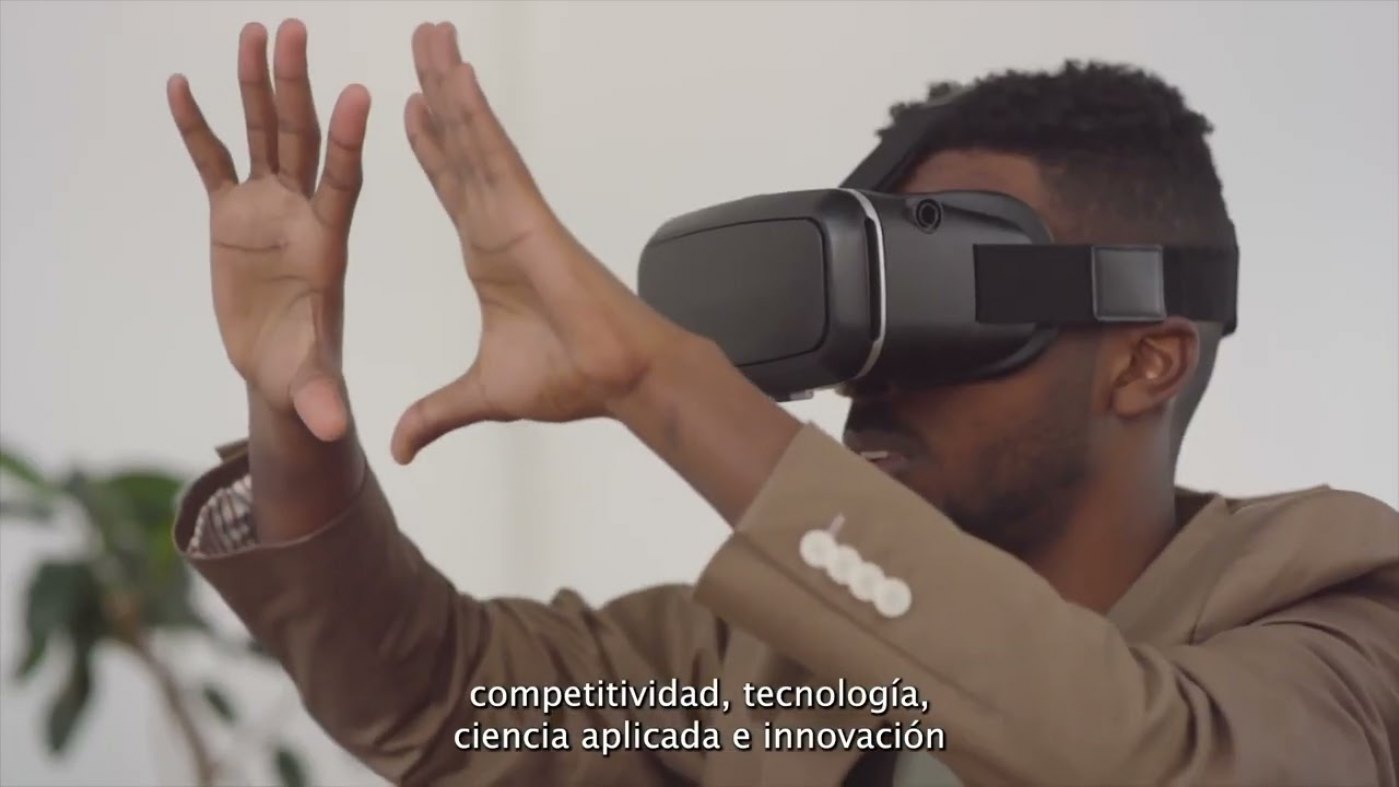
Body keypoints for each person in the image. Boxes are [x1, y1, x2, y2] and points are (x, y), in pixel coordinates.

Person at [166, 18, 1399, 787]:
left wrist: (660, 377)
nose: (875, 370)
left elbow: (1141, 756)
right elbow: (450, 704)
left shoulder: (1332, 612)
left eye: (942, 307)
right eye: (864, 305)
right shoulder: (763, 666)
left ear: (1146, 362)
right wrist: (294, 415)